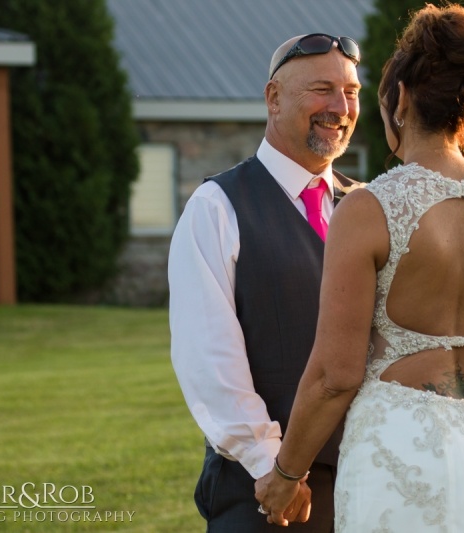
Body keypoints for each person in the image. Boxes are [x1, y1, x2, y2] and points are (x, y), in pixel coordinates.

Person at [255, 5, 464, 531]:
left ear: (399, 98)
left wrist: (287, 471)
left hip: (405, 448)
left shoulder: (370, 208)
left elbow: (334, 375)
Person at [168, 32, 363, 532]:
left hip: (370, 480)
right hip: (264, 493)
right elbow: (209, 360)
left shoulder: (370, 208)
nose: (340, 107)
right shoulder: (216, 208)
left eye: (352, 92)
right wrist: (274, 466)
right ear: (273, 98)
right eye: (322, 89)